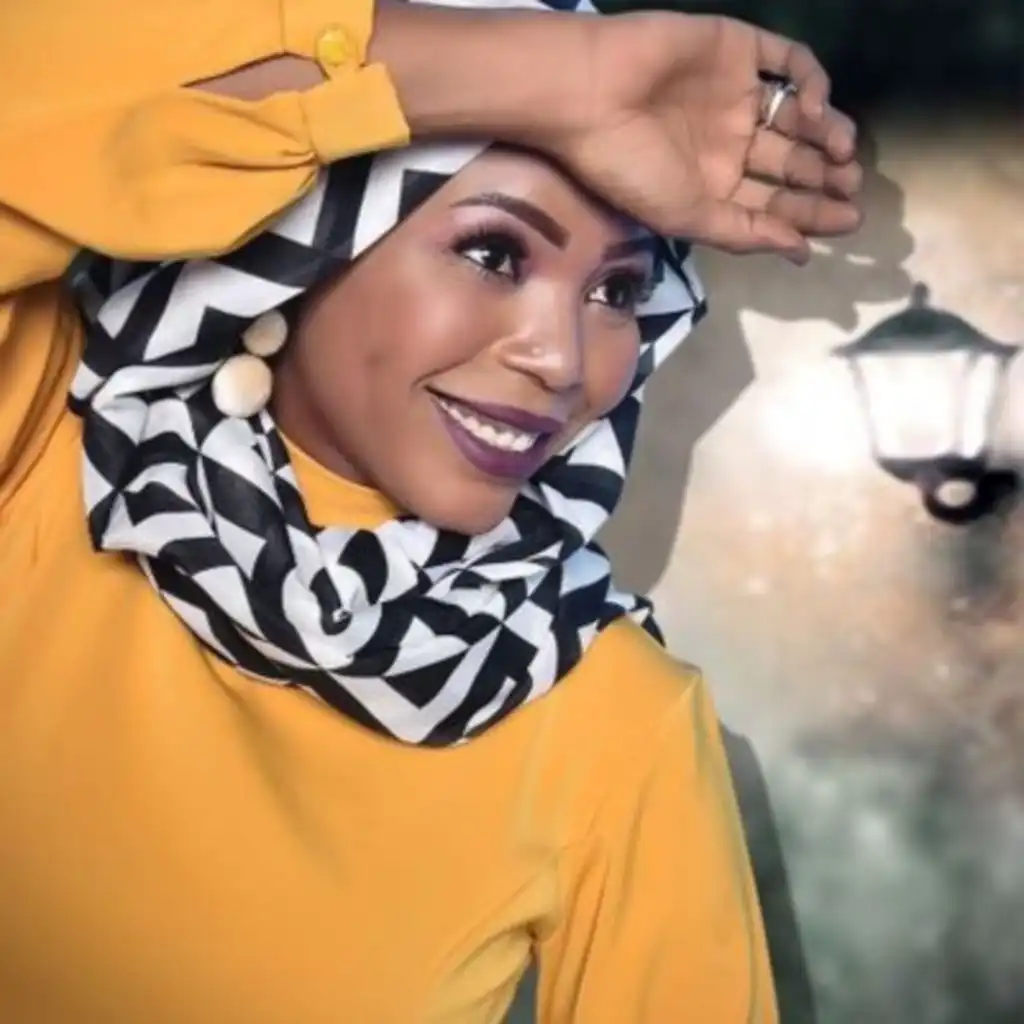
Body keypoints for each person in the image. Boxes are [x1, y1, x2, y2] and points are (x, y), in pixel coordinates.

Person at [0, 0, 861, 1021]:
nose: (561, 359)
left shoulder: (611, 719)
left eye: (618, 292)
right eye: (494, 254)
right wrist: (566, 79)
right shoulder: (43, 444)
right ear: (298, 245)